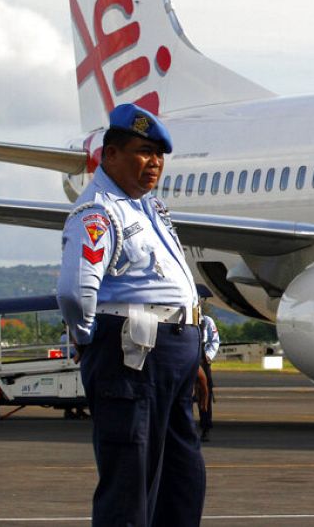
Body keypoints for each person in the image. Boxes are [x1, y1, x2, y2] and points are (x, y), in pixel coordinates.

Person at [56, 103, 205, 526]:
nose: (154, 163)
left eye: (159, 155)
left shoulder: (150, 209)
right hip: (131, 355)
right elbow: (73, 291)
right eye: (143, 151)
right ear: (111, 155)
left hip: (172, 357)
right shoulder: (99, 211)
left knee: (182, 481)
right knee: (130, 482)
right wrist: (90, 340)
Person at [198, 313, 220, 442]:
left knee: (206, 392)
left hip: (202, 358)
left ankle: (205, 427)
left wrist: (209, 355)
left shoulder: (206, 321)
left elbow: (215, 340)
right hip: (187, 355)